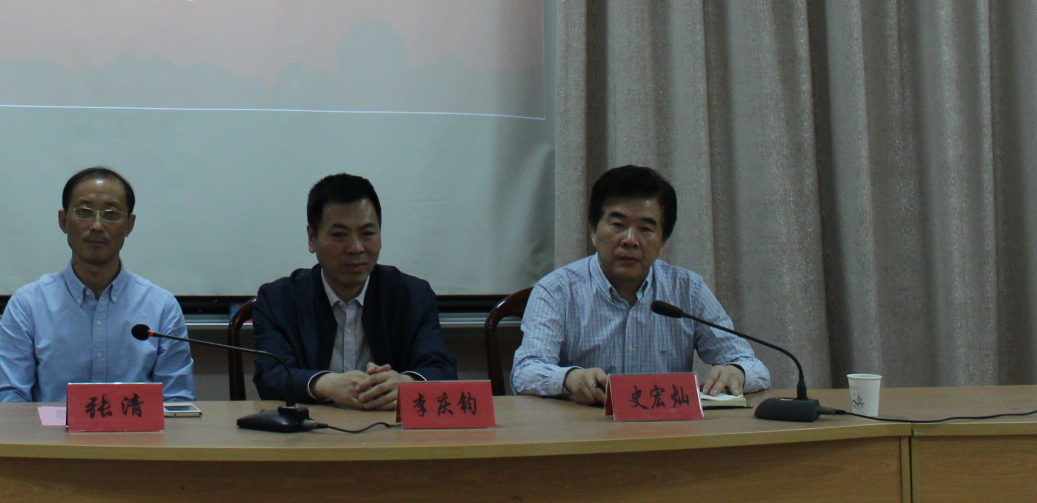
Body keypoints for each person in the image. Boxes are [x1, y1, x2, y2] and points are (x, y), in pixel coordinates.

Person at [511, 164, 772, 403]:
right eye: (618, 224)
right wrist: (569, 378)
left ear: (663, 241)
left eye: (646, 229)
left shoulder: (687, 289)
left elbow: (752, 366)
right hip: (585, 430)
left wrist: (736, 371)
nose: (630, 240)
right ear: (593, 231)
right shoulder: (557, 290)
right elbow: (525, 372)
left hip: (666, 430)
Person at [251, 173, 456, 409]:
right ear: (312, 238)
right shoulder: (278, 300)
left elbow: (441, 368)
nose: (356, 248)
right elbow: (270, 375)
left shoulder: (412, 295)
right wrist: (323, 384)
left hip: (388, 426)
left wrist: (406, 383)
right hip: (313, 427)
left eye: (367, 234)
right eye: (339, 235)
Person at [0, 166, 194, 403]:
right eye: (84, 212)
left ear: (129, 225)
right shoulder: (28, 306)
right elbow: (9, 400)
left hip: (136, 429)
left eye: (111, 214)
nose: (97, 225)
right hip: (51, 429)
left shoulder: (161, 307)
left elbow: (177, 401)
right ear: (63, 221)